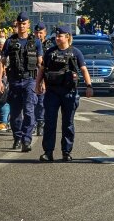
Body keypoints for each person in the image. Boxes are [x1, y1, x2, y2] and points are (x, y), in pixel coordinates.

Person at [35, 26, 93, 162]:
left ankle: (66, 152)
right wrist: (37, 84)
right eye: (56, 36)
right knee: (50, 122)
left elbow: (84, 70)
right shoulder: (50, 52)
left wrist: (89, 86)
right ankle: (48, 152)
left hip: (69, 92)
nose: (57, 38)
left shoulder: (75, 52)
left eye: (60, 36)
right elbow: (42, 70)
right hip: (52, 92)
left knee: (68, 123)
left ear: (67, 36)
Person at [0, 12, 43, 153]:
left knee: (29, 111)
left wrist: (42, 81)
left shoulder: (35, 42)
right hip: (14, 80)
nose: (22, 26)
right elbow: (2, 62)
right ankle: (17, 137)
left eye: (24, 24)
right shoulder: (10, 41)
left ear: (28, 25)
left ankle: (26, 139)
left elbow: (41, 63)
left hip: (30, 79)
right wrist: (0, 81)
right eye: (19, 24)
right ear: (16, 25)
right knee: (16, 113)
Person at [33, 22, 50, 137]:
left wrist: (43, 81)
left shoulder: (49, 46)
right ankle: (32, 124)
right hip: (32, 75)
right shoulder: (31, 44)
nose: (38, 35)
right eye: (37, 33)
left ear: (45, 33)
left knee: (41, 103)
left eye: (41, 33)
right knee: (32, 102)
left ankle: (40, 124)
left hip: (45, 77)